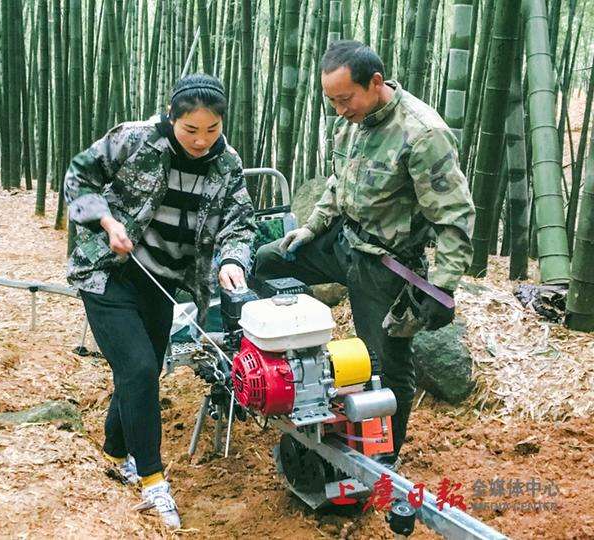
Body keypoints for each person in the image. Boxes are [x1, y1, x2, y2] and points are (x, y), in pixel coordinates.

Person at [255, 41, 475, 467]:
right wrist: (310, 228)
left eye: (345, 98)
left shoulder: (422, 134)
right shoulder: (351, 121)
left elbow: (455, 218)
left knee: (386, 368)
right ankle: (276, 372)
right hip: (341, 241)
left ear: (375, 83)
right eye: (332, 101)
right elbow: (339, 184)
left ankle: (384, 461)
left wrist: (442, 288)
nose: (339, 109)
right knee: (266, 260)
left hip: (385, 264)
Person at [64, 74, 256, 529]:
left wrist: (233, 261)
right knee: (140, 368)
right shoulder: (134, 139)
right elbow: (78, 176)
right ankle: (152, 481)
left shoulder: (227, 164)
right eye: (191, 130)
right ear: (172, 117)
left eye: (211, 130)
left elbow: (241, 223)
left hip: (163, 281)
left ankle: (116, 454)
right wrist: (107, 222)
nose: (200, 140)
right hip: (108, 273)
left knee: (141, 366)